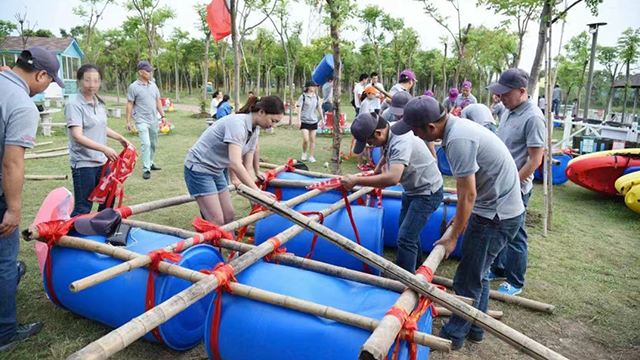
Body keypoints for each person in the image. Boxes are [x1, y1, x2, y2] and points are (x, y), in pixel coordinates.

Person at [391, 96, 525, 351]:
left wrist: (453, 237)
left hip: (496, 214)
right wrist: (461, 218)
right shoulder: (458, 129)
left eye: (416, 131)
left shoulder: (458, 140)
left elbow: (468, 194)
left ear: (431, 128)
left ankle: (454, 334)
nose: (415, 136)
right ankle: (476, 327)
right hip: (496, 208)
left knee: (467, 280)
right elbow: (470, 194)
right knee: (479, 272)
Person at [0, 47, 63, 351]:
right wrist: (13, 210)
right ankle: (5, 332)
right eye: (49, 81)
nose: (46, 88)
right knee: (4, 260)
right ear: (40, 75)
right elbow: (12, 162)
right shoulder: (22, 105)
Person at [341, 111, 443, 273]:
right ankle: (415, 267)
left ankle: (405, 279)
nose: (372, 146)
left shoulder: (401, 141)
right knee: (407, 229)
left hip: (427, 192)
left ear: (378, 132)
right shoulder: (392, 128)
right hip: (413, 189)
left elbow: (393, 178)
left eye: (371, 142)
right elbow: (388, 149)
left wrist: (356, 180)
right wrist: (379, 166)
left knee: (405, 236)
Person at [487, 68, 546, 296]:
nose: (501, 97)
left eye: (505, 93)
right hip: (501, 183)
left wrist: (512, 185)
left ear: (522, 91)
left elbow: (535, 159)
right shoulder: (508, 109)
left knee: (515, 233)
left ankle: (515, 280)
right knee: (499, 228)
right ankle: (500, 268)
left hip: (517, 187)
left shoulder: (533, 117)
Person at [184, 96, 283, 225]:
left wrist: (254, 195)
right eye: (273, 120)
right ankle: (209, 244)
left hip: (217, 170)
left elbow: (248, 167)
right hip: (199, 168)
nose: (273, 125)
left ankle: (227, 241)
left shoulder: (255, 130)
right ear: (261, 112)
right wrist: (257, 192)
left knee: (229, 216)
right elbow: (235, 163)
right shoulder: (238, 124)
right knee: (216, 220)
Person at [66, 64, 131, 217]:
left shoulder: (99, 102)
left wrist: (120, 137)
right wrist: (104, 149)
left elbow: (100, 126)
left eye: (96, 81)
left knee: (108, 202)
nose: (92, 85)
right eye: (87, 80)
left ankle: (101, 234)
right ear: (79, 81)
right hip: (84, 164)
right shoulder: (73, 104)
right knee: (83, 208)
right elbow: (78, 135)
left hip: (102, 163)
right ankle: (69, 239)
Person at [126, 61, 166, 180]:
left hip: (153, 119)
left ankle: (150, 162)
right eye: (148, 71)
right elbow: (129, 104)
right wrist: (128, 121)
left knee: (153, 143)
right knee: (146, 143)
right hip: (141, 119)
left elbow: (158, 100)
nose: (150, 73)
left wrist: (163, 115)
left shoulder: (153, 85)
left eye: (151, 71)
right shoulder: (134, 87)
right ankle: (146, 168)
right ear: (140, 72)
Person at [383, 91, 437, 160]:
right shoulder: (387, 115)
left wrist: (434, 163)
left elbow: (431, 148)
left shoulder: (419, 117)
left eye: (401, 113)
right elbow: (384, 143)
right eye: (396, 112)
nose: (398, 116)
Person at [297, 80, 322, 163]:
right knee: (306, 139)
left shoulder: (317, 97)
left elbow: (319, 108)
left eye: (315, 86)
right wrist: (298, 120)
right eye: (313, 86)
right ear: (308, 87)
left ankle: (311, 156)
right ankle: (304, 153)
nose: (315, 88)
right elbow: (299, 109)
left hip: (313, 121)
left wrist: (322, 118)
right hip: (304, 121)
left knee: (312, 140)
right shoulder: (303, 97)